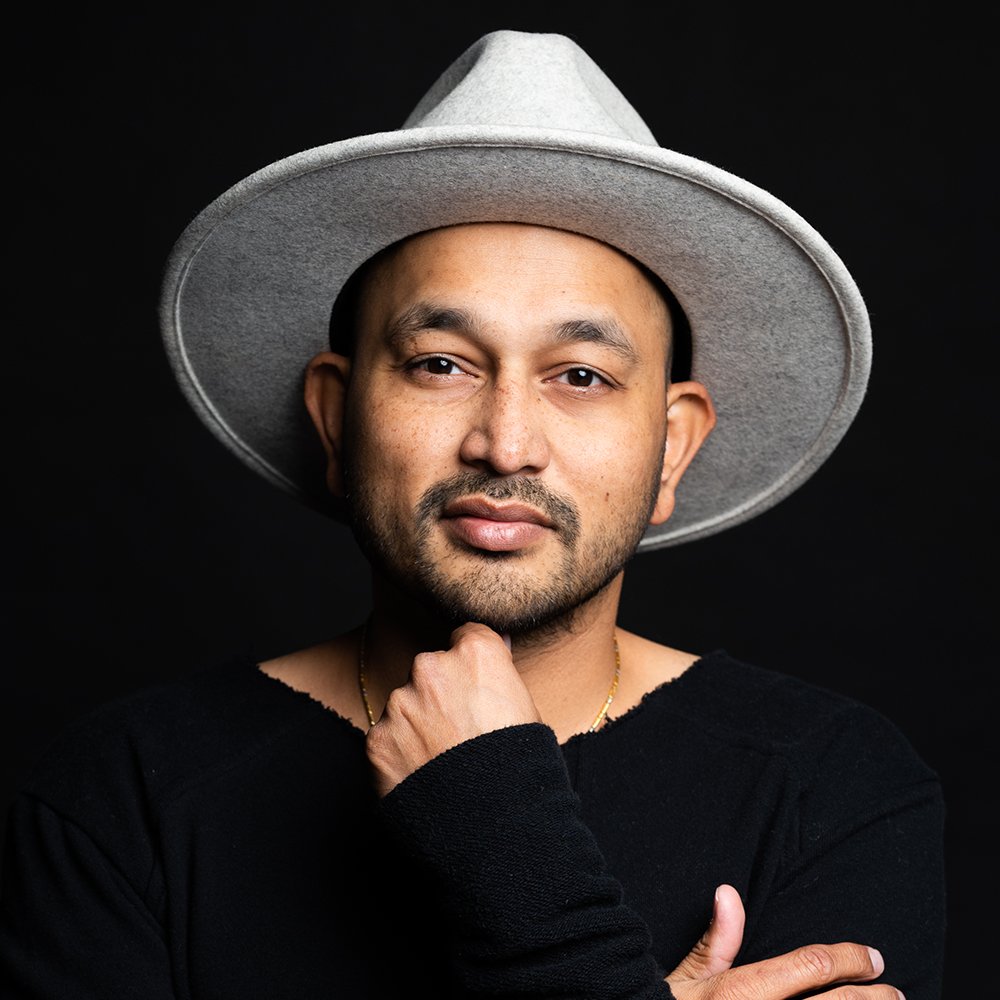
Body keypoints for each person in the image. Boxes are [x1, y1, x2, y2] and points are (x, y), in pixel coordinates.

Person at [0, 29, 944, 1000]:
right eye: (440, 364)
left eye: (581, 376)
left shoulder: (834, 784)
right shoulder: (123, 791)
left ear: (672, 446)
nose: (505, 442)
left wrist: (496, 827)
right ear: (335, 418)